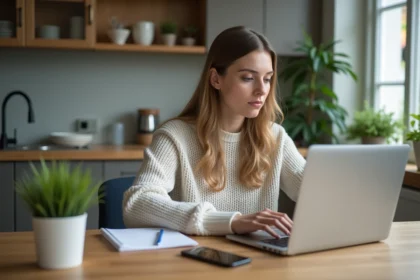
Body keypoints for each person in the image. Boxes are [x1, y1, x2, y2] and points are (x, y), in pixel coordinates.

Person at [123, 26, 306, 239]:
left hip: (258, 265)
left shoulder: (275, 137)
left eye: (267, 78)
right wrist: (232, 222)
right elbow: (137, 203)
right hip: (193, 262)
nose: (262, 90)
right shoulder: (175, 136)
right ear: (216, 79)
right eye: (248, 78)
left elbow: (317, 191)